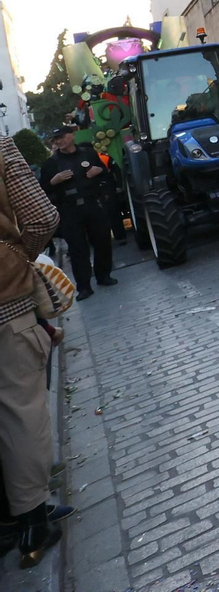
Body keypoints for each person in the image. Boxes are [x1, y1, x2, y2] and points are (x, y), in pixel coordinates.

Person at [0, 134, 67, 568]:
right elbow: (41, 217)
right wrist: (14, 255)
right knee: (21, 408)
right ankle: (32, 521)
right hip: (5, 303)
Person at [39, 126, 116, 299]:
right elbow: (43, 188)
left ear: (72, 136)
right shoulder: (51, 163)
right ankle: (84, 286)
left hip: (92, 203)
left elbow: (104, 174)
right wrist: (54, 180)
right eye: (55, 139)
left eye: (61, 137)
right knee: (77, 249)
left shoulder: (87, 153)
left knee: (102, 241)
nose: (58, 141)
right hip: (69, 209)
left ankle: (104, 276)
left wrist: (99, 170)